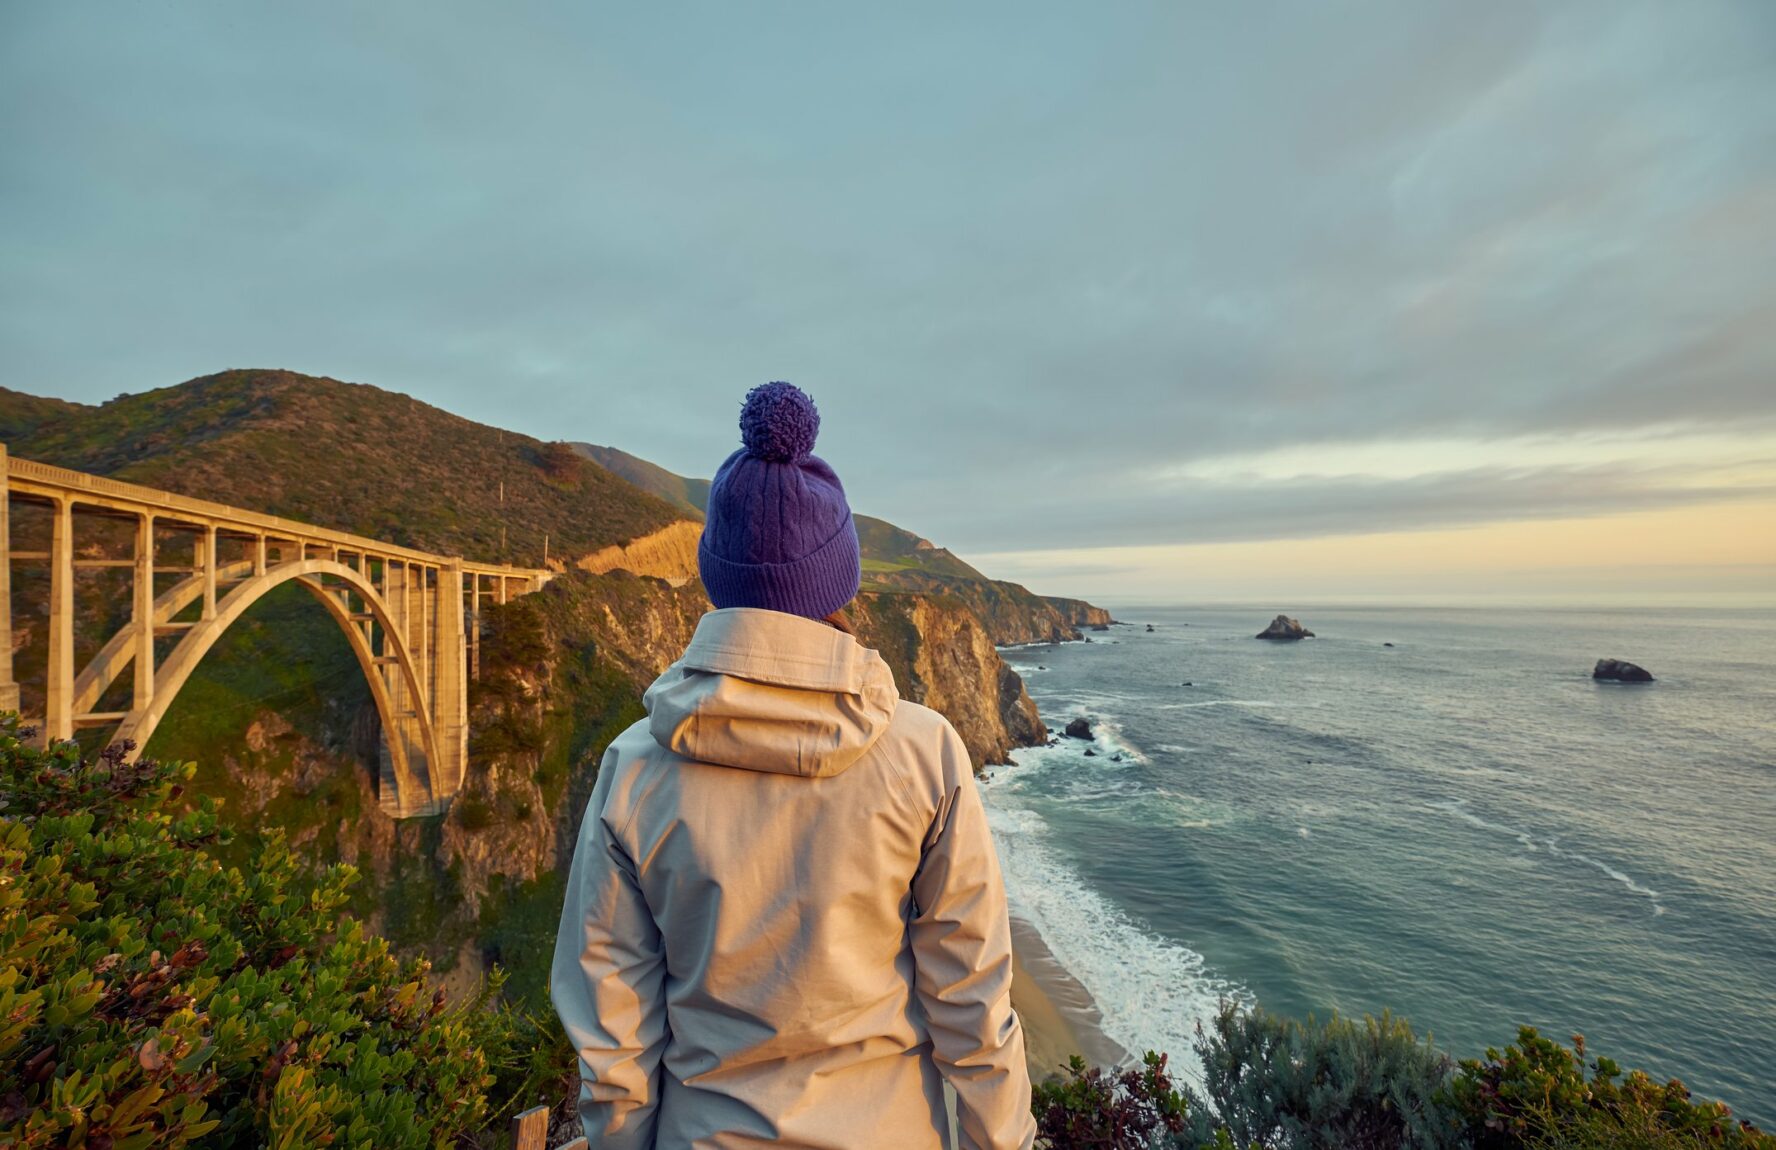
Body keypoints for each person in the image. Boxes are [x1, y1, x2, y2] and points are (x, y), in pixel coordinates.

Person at [552, 382, 1035, 1149]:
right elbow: (973, 1008)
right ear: (839, 578)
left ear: (717, 576)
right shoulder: (925, 753)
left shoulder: (635, 768)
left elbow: (614, 1040)